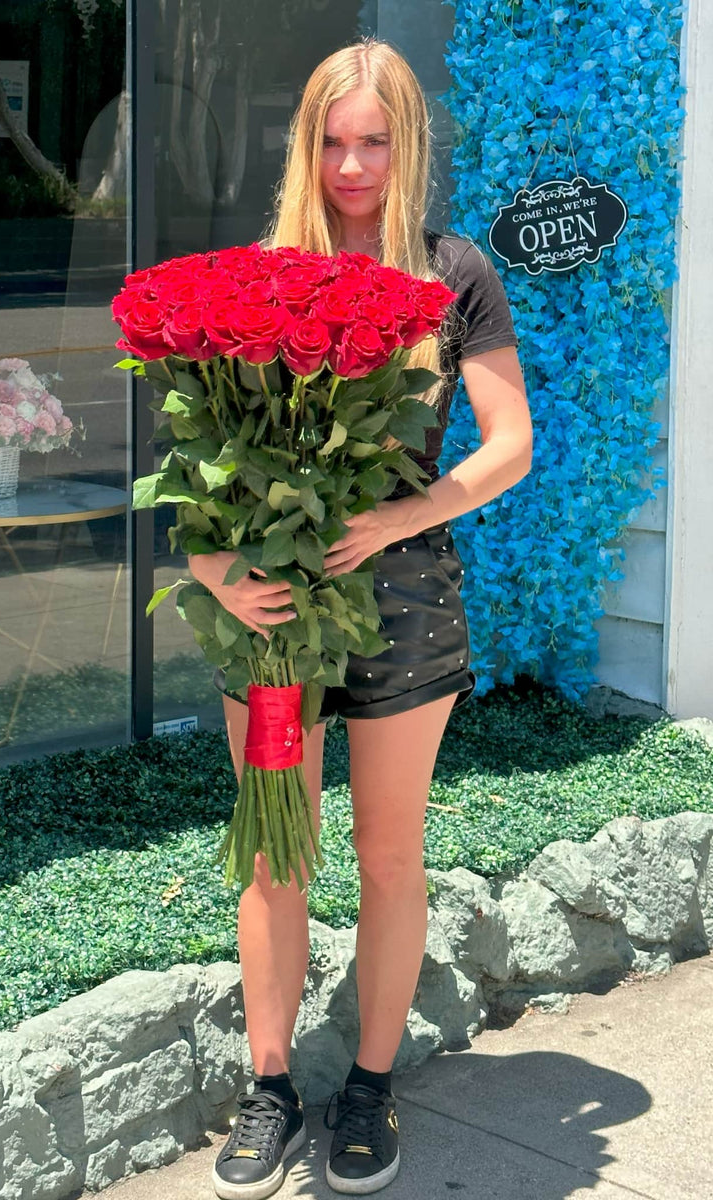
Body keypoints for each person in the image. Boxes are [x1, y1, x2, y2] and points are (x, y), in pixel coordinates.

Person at [190, 39, 532, 1200]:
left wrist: (401, 519)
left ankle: (372, 1087)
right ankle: (272, 1085)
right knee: (275, 847)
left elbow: (510, 445)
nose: (352, 164)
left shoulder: (454, 272)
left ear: (408, 142)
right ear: (306, 141)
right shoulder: (256, 275)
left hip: (405, 610)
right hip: (276, 617)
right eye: (334, 140)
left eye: (374, 141)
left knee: (388, 854)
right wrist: (216, 574)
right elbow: (195, 468)